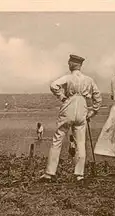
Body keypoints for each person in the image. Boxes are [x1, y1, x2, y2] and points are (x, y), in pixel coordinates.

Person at [40, 54, 102, 182]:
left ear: (73, 64)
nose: (68, 64)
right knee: (80, 142)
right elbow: (98, 97)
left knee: (58, 138)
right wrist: (93, 112)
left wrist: (62, 96)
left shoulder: (68, 77)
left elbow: (53, 85)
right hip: (82, 106)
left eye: (69, 62)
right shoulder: (88, 80)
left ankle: (50, 173)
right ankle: (79, 174)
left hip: (69, 104)